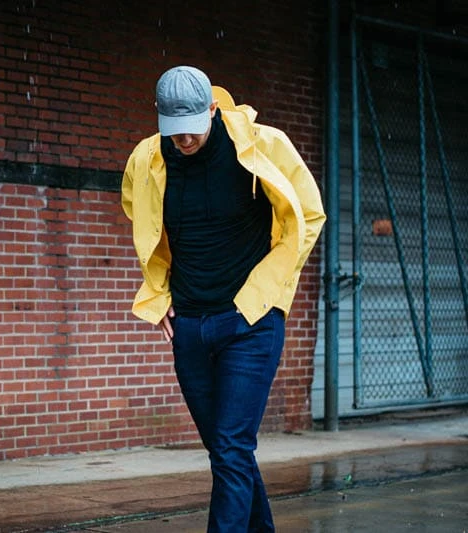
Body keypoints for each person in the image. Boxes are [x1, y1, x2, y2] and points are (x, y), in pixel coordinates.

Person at [121, 66, 326, 532]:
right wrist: (159, 290)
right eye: (174, 131)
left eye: (194, 127)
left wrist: (267, 292)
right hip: (190, 325)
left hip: (250, 322)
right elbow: (141, 215)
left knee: (232, 447)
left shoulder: (262, 146)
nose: (185, 139)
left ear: (212, 108)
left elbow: (309, 215)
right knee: (225, 449)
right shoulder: (147, 159)